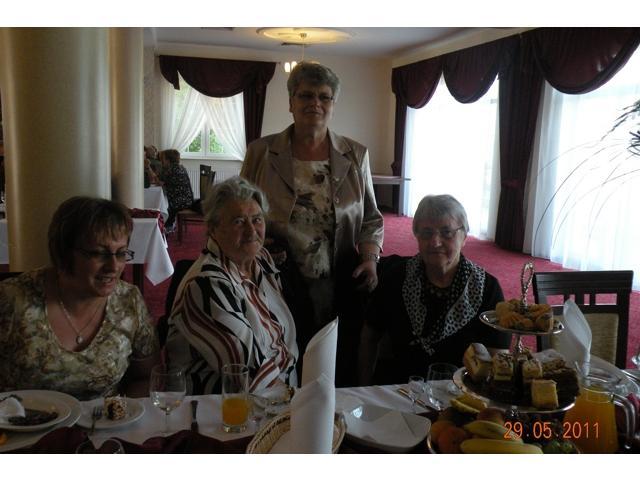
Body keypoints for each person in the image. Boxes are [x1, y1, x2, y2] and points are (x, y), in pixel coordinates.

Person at [240, 62, 383, 386]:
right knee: (283, 354)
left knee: (336, 358)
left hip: (339, 277)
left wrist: (370, 258)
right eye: (305, 95)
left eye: (324, 96)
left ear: (333, 103)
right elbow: (241, 211)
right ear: (291, 102)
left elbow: (371, 217)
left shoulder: (355, 154)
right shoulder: (261, 152)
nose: (314, 103)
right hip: (276, 277)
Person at [0, 196, 160, 400]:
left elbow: (148, 377)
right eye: (99, 254)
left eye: (121, 253)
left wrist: (120, 410)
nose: (113, 267)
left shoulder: (129, 301)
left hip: (104, 418)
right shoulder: (11, 299)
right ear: (64, 253)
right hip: (22, 419)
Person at [358, 194, 511, 385]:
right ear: (417, 236)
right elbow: (369, 337)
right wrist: (363, 388)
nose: (435, 242)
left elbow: (498, 357)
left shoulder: (487, 289)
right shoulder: (396, 277)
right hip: (399, 389)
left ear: (464, 237)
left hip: (461, 393)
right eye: (426, 233)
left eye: (447, 233)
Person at [166, 176, 299, 394]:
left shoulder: (261, 260)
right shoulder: (206, 284)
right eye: (238, 221)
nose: (251, 231)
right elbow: (249, 373)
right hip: (222, 403)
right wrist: (300, 402)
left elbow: (282, 340)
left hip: (279, 388)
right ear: (213, 229)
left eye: (257, 219)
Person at [159, 148, 194, 231]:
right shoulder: (180, 167)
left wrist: (148, 168)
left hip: (181, 201)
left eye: (163, 159)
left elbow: (159, 182)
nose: (162, 161)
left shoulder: (172, 170)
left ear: (168, 160)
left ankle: (167, 225)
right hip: (187, 199)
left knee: (164, 205)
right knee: (164, 202)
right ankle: (168, 224)